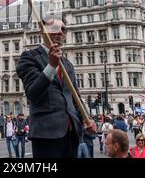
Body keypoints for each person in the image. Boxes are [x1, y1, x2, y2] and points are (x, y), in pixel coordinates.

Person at [16, 17, 95, 158]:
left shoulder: (68, 64)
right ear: (42, 31)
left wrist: (86, 118)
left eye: (63, 29)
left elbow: (75, 97)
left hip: (72, 133)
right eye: (54, 28)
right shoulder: (29, 57)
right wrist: (51, 66)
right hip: (47, 134)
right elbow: (33, 93)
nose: (60, 32)